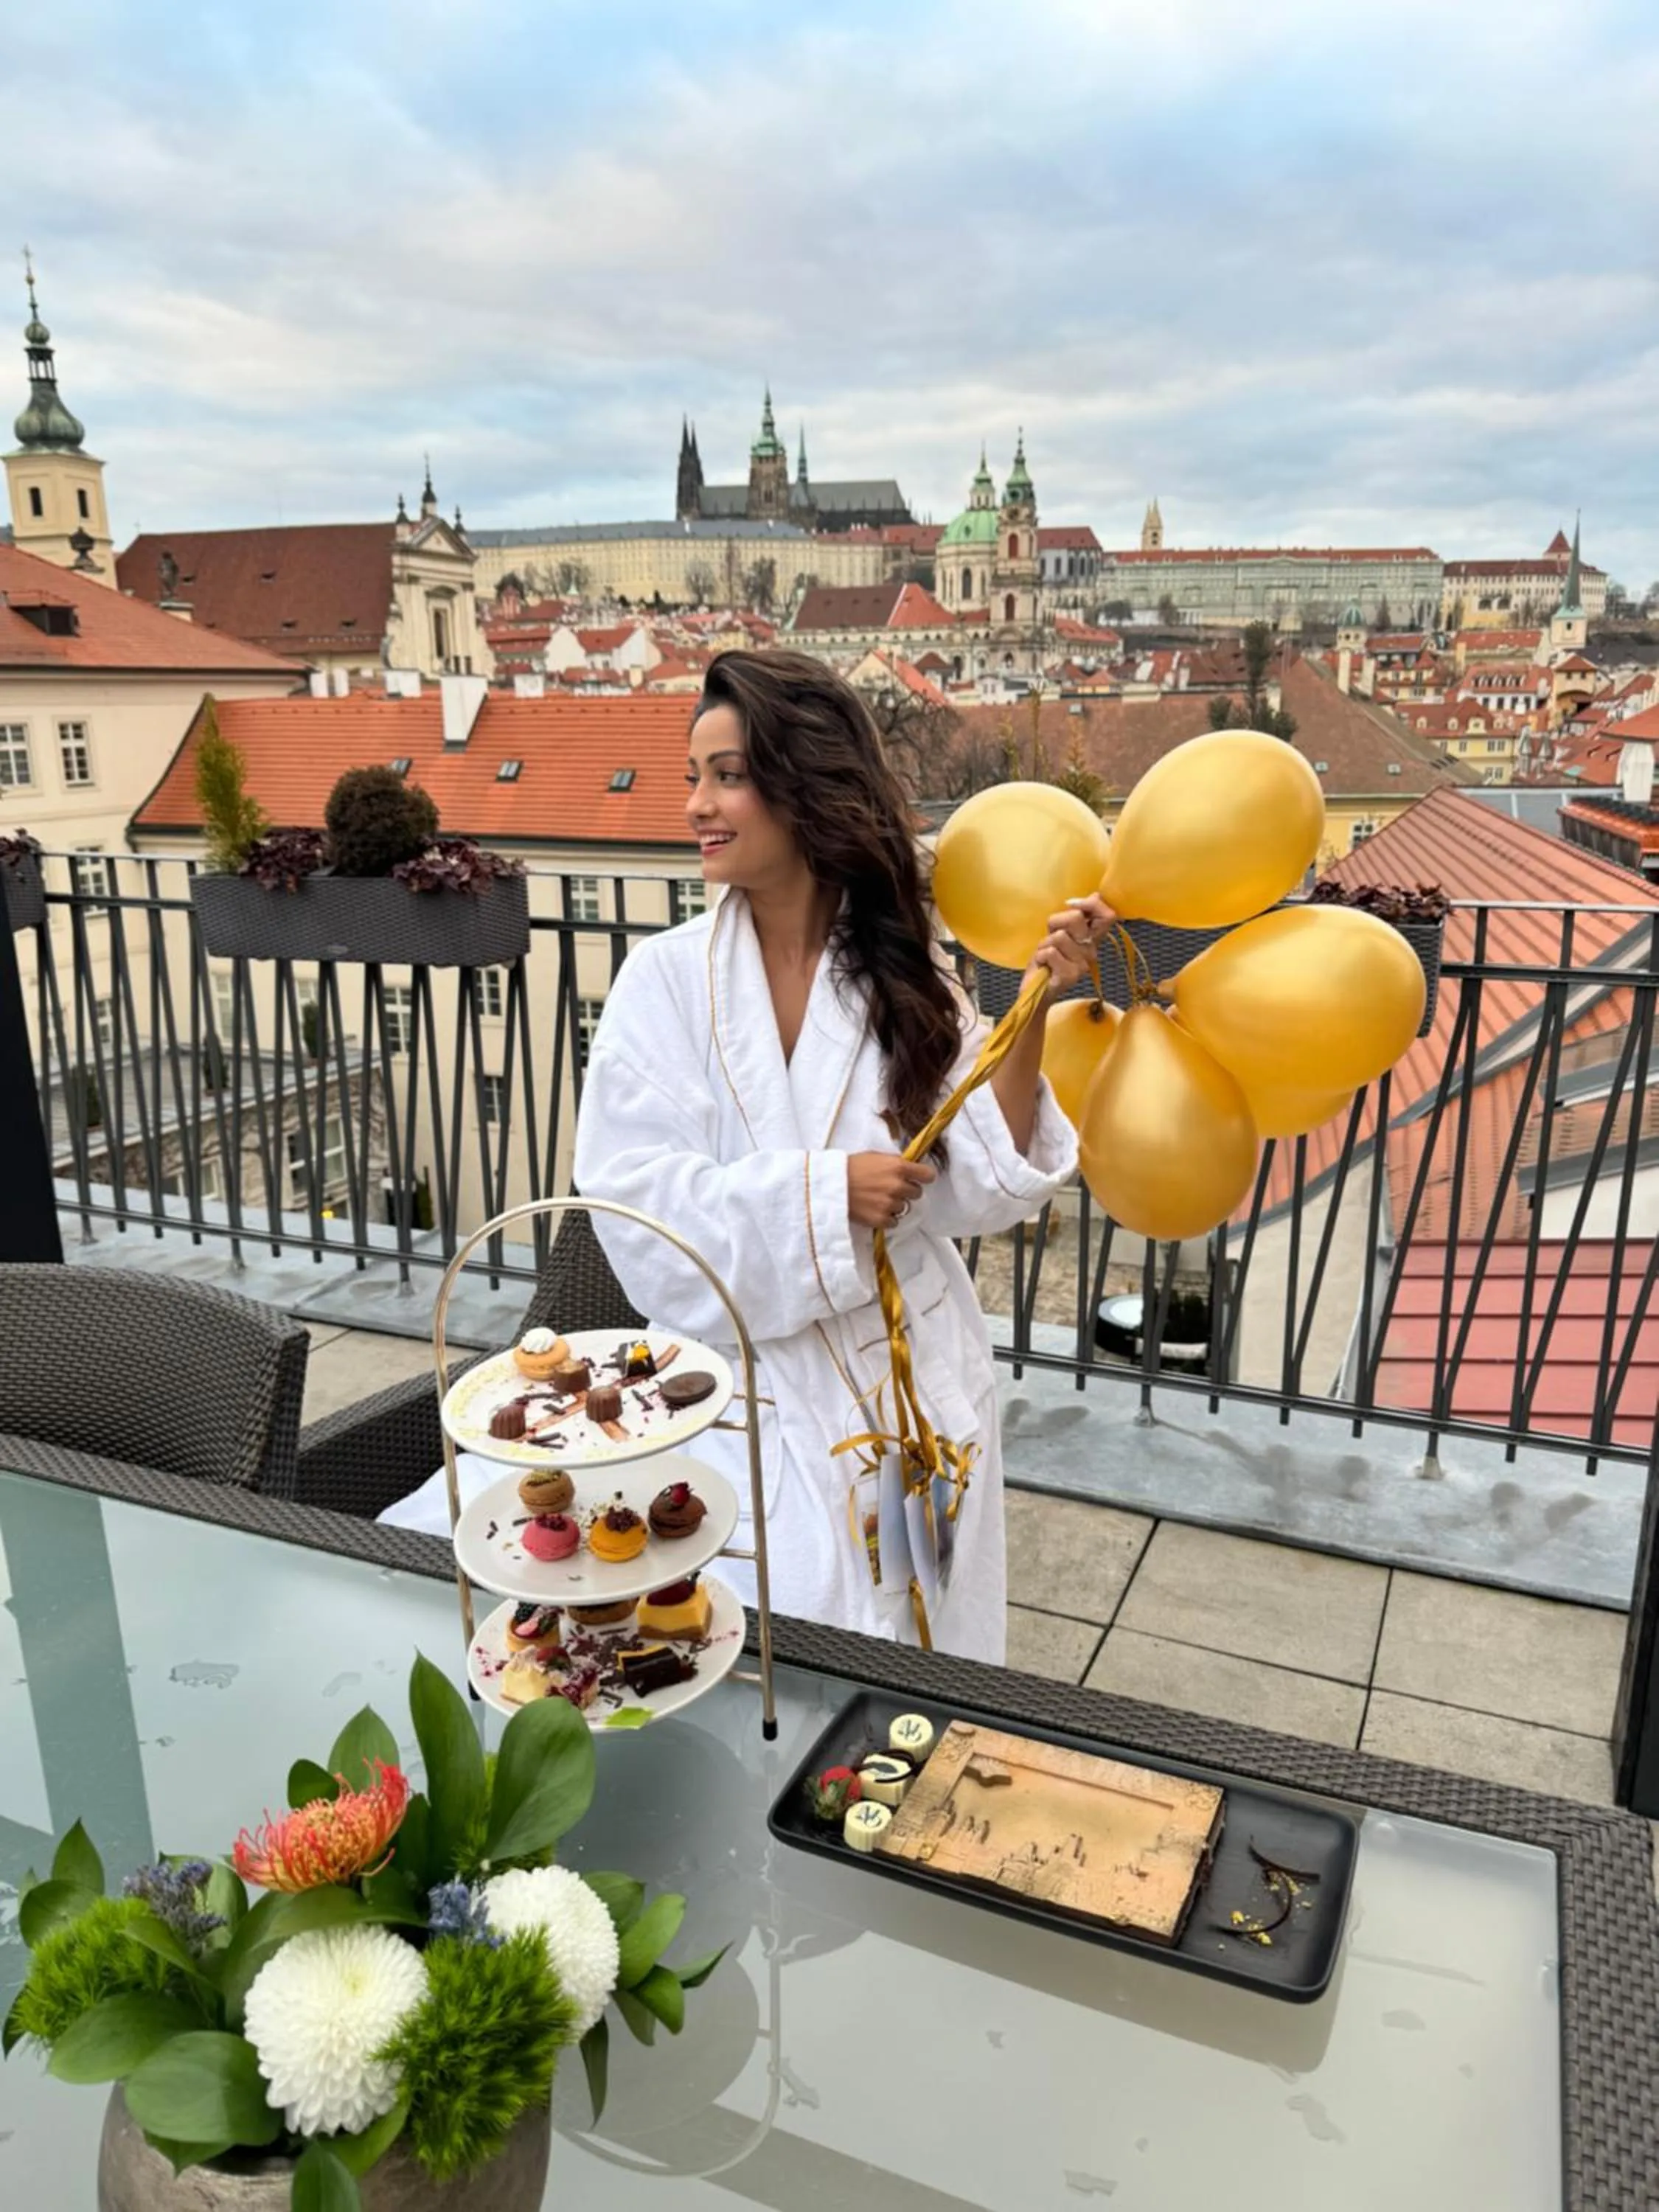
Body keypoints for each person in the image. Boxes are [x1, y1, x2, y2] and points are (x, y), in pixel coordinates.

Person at [568, 650, 1111, 1663]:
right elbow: (634, 1211)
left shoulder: (905, 974)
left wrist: (1033, 999)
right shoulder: (664, 984)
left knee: (915, 1662)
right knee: (735, 1661)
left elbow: (982, 1178)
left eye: (727, 775)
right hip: (731, 1390)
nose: (696, 804)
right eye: (694, 776)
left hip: (908, 1392)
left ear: (805, 786)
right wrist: (826, 1198)